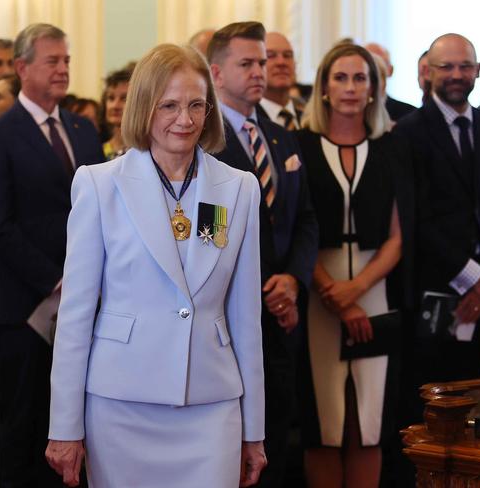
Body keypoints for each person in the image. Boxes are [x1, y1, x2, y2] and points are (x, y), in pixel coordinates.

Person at [45, 43, 266, 488]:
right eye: (169, 105)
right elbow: (75, 315)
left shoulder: (237, 189)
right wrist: (64, 427)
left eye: (196, 105)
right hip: (120, 404)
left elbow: (246, 318)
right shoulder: (99, 185)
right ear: (144, 107)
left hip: (212, 403)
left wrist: (255, 431)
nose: (184, 120)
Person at [0, 23, 103, 487]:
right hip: (25, 306)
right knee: (25, 424)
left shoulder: (84, 130)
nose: (64, 69)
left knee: (76, 426)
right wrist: (56, 280)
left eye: (67, 60)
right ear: (23, 67)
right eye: (53, 61)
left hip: (84, 303)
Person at [208, 21, 318, 488]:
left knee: (275, 433)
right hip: (230, 314)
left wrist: (292, 280)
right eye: (247, 63)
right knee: (232, 443)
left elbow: (307, 220)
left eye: (264, 61)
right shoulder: (204, 140)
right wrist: (258, 288)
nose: (261, 71)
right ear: (216, 72)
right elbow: (209, 235)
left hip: (282, 312)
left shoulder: (280, 135)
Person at [394, 32, 480, 428]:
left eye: (464, 66)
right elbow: (418, 219)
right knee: (428, 412)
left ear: (478, 71)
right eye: (446, 67)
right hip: (432, 294)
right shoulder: (407, 133)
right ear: (428, 72)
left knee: (473, 407)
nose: (456, 74)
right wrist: (473, 278)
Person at [295, 42, 406, 488]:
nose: (350, 87)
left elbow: (398, 237)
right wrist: (334, 296)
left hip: (373, 289)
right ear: (323, 88)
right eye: (340, 78)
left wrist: (356, 290)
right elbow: (296, 230)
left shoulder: (391, 147)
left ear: (374, 88)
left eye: (360, 78)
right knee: (324, 424)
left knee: (369, 421)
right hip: (316, 290)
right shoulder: (298, 145)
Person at [258, 32, 305, 130]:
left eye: (287, 55)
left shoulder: (310, 122)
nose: (281, 62)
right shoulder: (247, 123)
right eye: (270, 55)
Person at [365, 42, 415, 121]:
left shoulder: (409, 115)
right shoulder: (349, 113)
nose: (373, 72)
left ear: (390, 70)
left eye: (380, 65)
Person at [99, 67, 132, 160]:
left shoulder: (146, 151)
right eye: (111, 98)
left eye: (124, 98)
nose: (115, 106)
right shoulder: (96, 150)